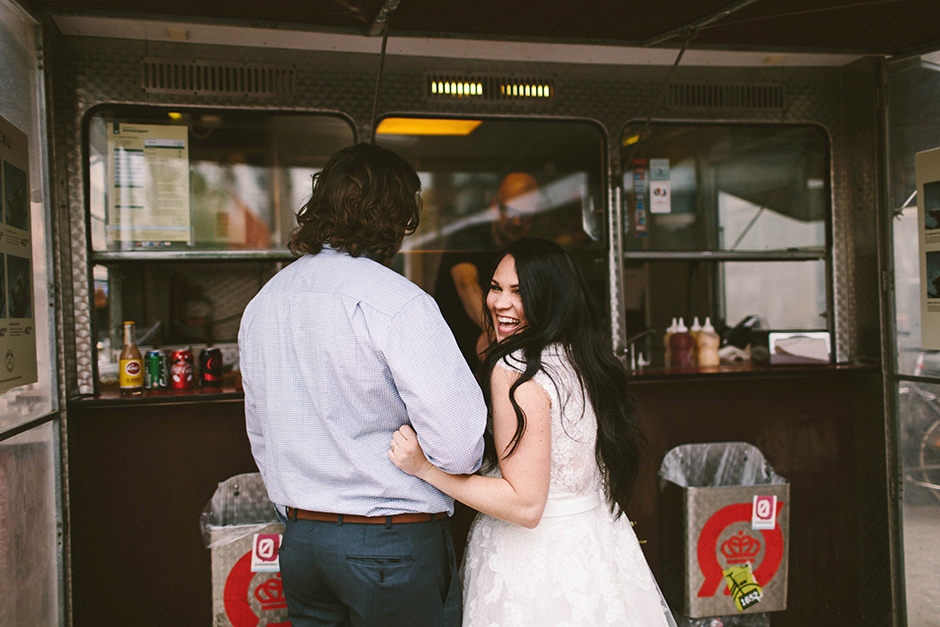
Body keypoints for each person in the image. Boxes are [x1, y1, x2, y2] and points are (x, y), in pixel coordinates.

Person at [239, 143, 488, 627]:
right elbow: (460, 449)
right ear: (395, 218)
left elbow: (261, 433)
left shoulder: (264, 303)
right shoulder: (399, 303)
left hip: (303, 542)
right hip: (390, 544)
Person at [389, 238, 678, 627]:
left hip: (537, 564)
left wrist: (425, 469)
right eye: (496, 287)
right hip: (595, 547)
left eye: (519, 292)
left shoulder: (515, 369)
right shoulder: (578, 354)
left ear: (549, 298)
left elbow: (525, 506)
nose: (500, 302)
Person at [433, 172, 540, 371]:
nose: (517, 221)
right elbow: (466, 284)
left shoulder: (532, 249)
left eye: (526, 215)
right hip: (456, 358)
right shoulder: (467, 238)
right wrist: (494, 333)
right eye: (511, 211)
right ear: (494, 206)